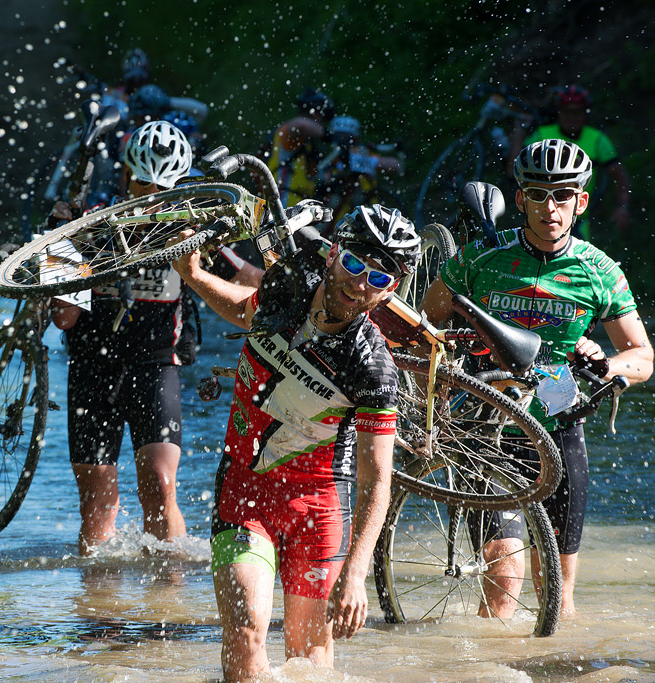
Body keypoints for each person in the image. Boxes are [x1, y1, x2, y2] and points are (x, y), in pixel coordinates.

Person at [173, 205, 421, 680]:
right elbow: (243, 309)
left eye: (378, 278)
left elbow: (377, 479)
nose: (360, 284)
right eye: (352, 264)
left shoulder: (372, 368)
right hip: (245, 493)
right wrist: (194, 275)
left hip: (320, 510)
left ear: (391, 289)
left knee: (309, 663)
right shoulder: (287, 287)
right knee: (246, 633)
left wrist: (356, 570)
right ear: (332, 255)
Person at [419, 138, 654, 617]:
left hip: (557, 420)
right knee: (505, 579)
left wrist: (607, 365)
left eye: (563, 195)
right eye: (539, 194)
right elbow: (426, 327)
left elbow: (642, 355)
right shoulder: (480, 258)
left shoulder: (600, 271)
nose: (551, 207)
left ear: (580, 201)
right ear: (521, 198)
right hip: (484, 427)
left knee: (559, 596)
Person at [49, 120, 257, 555]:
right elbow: (64, 318)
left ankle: (168, 608)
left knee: (160, 488)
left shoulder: (189, 228)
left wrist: (293, 280)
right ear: (126, 175)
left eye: (161, 187)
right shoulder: (92, 225)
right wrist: (58, 247)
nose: (150, 196)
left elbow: (249, 277)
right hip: (92, 365)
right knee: (97, 505)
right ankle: (98, 610)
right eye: (142, 184)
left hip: (155, 365)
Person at [509, 84, 632, 236]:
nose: (572, 117)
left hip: (577, 221)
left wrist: (622, 206)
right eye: (567, 111)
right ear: (559, 112)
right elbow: (513, 169)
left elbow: (620, 175)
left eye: (577, 112)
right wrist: (519, 131)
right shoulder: (542, 134)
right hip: (540, 217)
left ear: (585, 114)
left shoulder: (597, 140)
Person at [266, 87, 336, 207]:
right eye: (323, 119)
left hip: (297, 207)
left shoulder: (308, 145)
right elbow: (301, 124)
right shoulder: (289, 134)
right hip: (282, 203)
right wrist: (330, 136)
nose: (323, 123)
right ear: (314, 113)